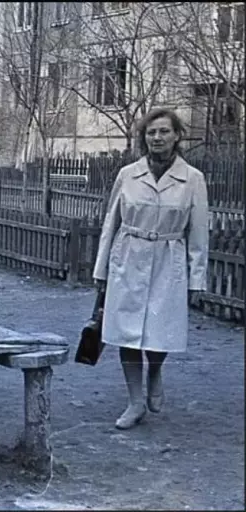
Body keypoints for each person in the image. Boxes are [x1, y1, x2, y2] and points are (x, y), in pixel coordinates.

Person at [92, 108, 208, 430]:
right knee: (126, 332)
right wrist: (101, 271)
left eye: (163, 132)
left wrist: (197, 277)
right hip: (128, 257)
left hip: (168, 260)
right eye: (151, 132)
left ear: (177, 136)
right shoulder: (128, 174)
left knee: (161, 332)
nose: (157, 138)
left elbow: (198, 234)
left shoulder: (192, 180)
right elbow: (110, 224)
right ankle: (134, 401)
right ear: (143, 138)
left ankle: (155, 370)